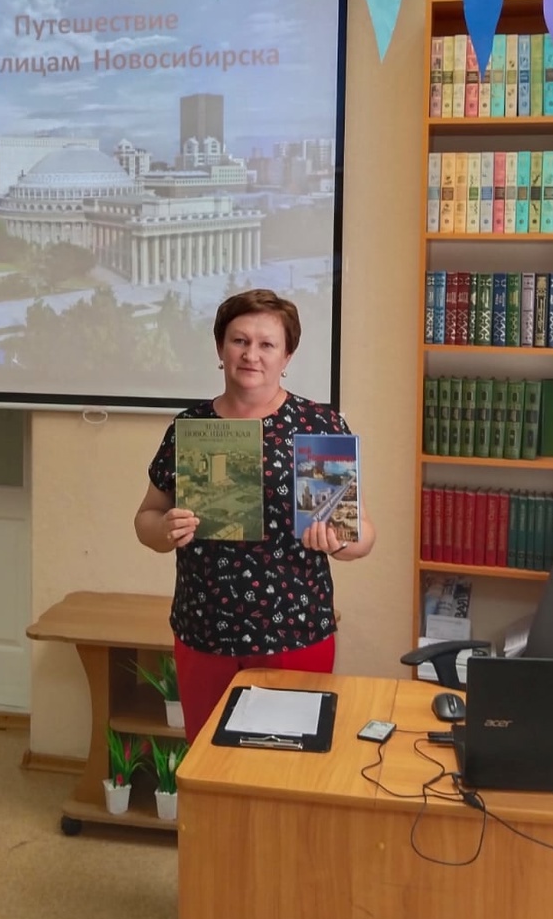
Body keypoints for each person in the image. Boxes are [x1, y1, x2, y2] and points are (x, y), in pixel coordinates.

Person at [134, 288, 375, 742]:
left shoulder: (317, 425)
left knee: (286, 768)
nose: (251, 355)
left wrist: (340, 540)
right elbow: (146, 518)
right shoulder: (190, 427)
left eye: (267, 344)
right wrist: (164, 530)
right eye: (239, 341)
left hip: (294, 633)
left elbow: (361, 534)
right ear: (220, 348)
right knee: (209, 764)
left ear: (287, 356)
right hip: (204, 630)